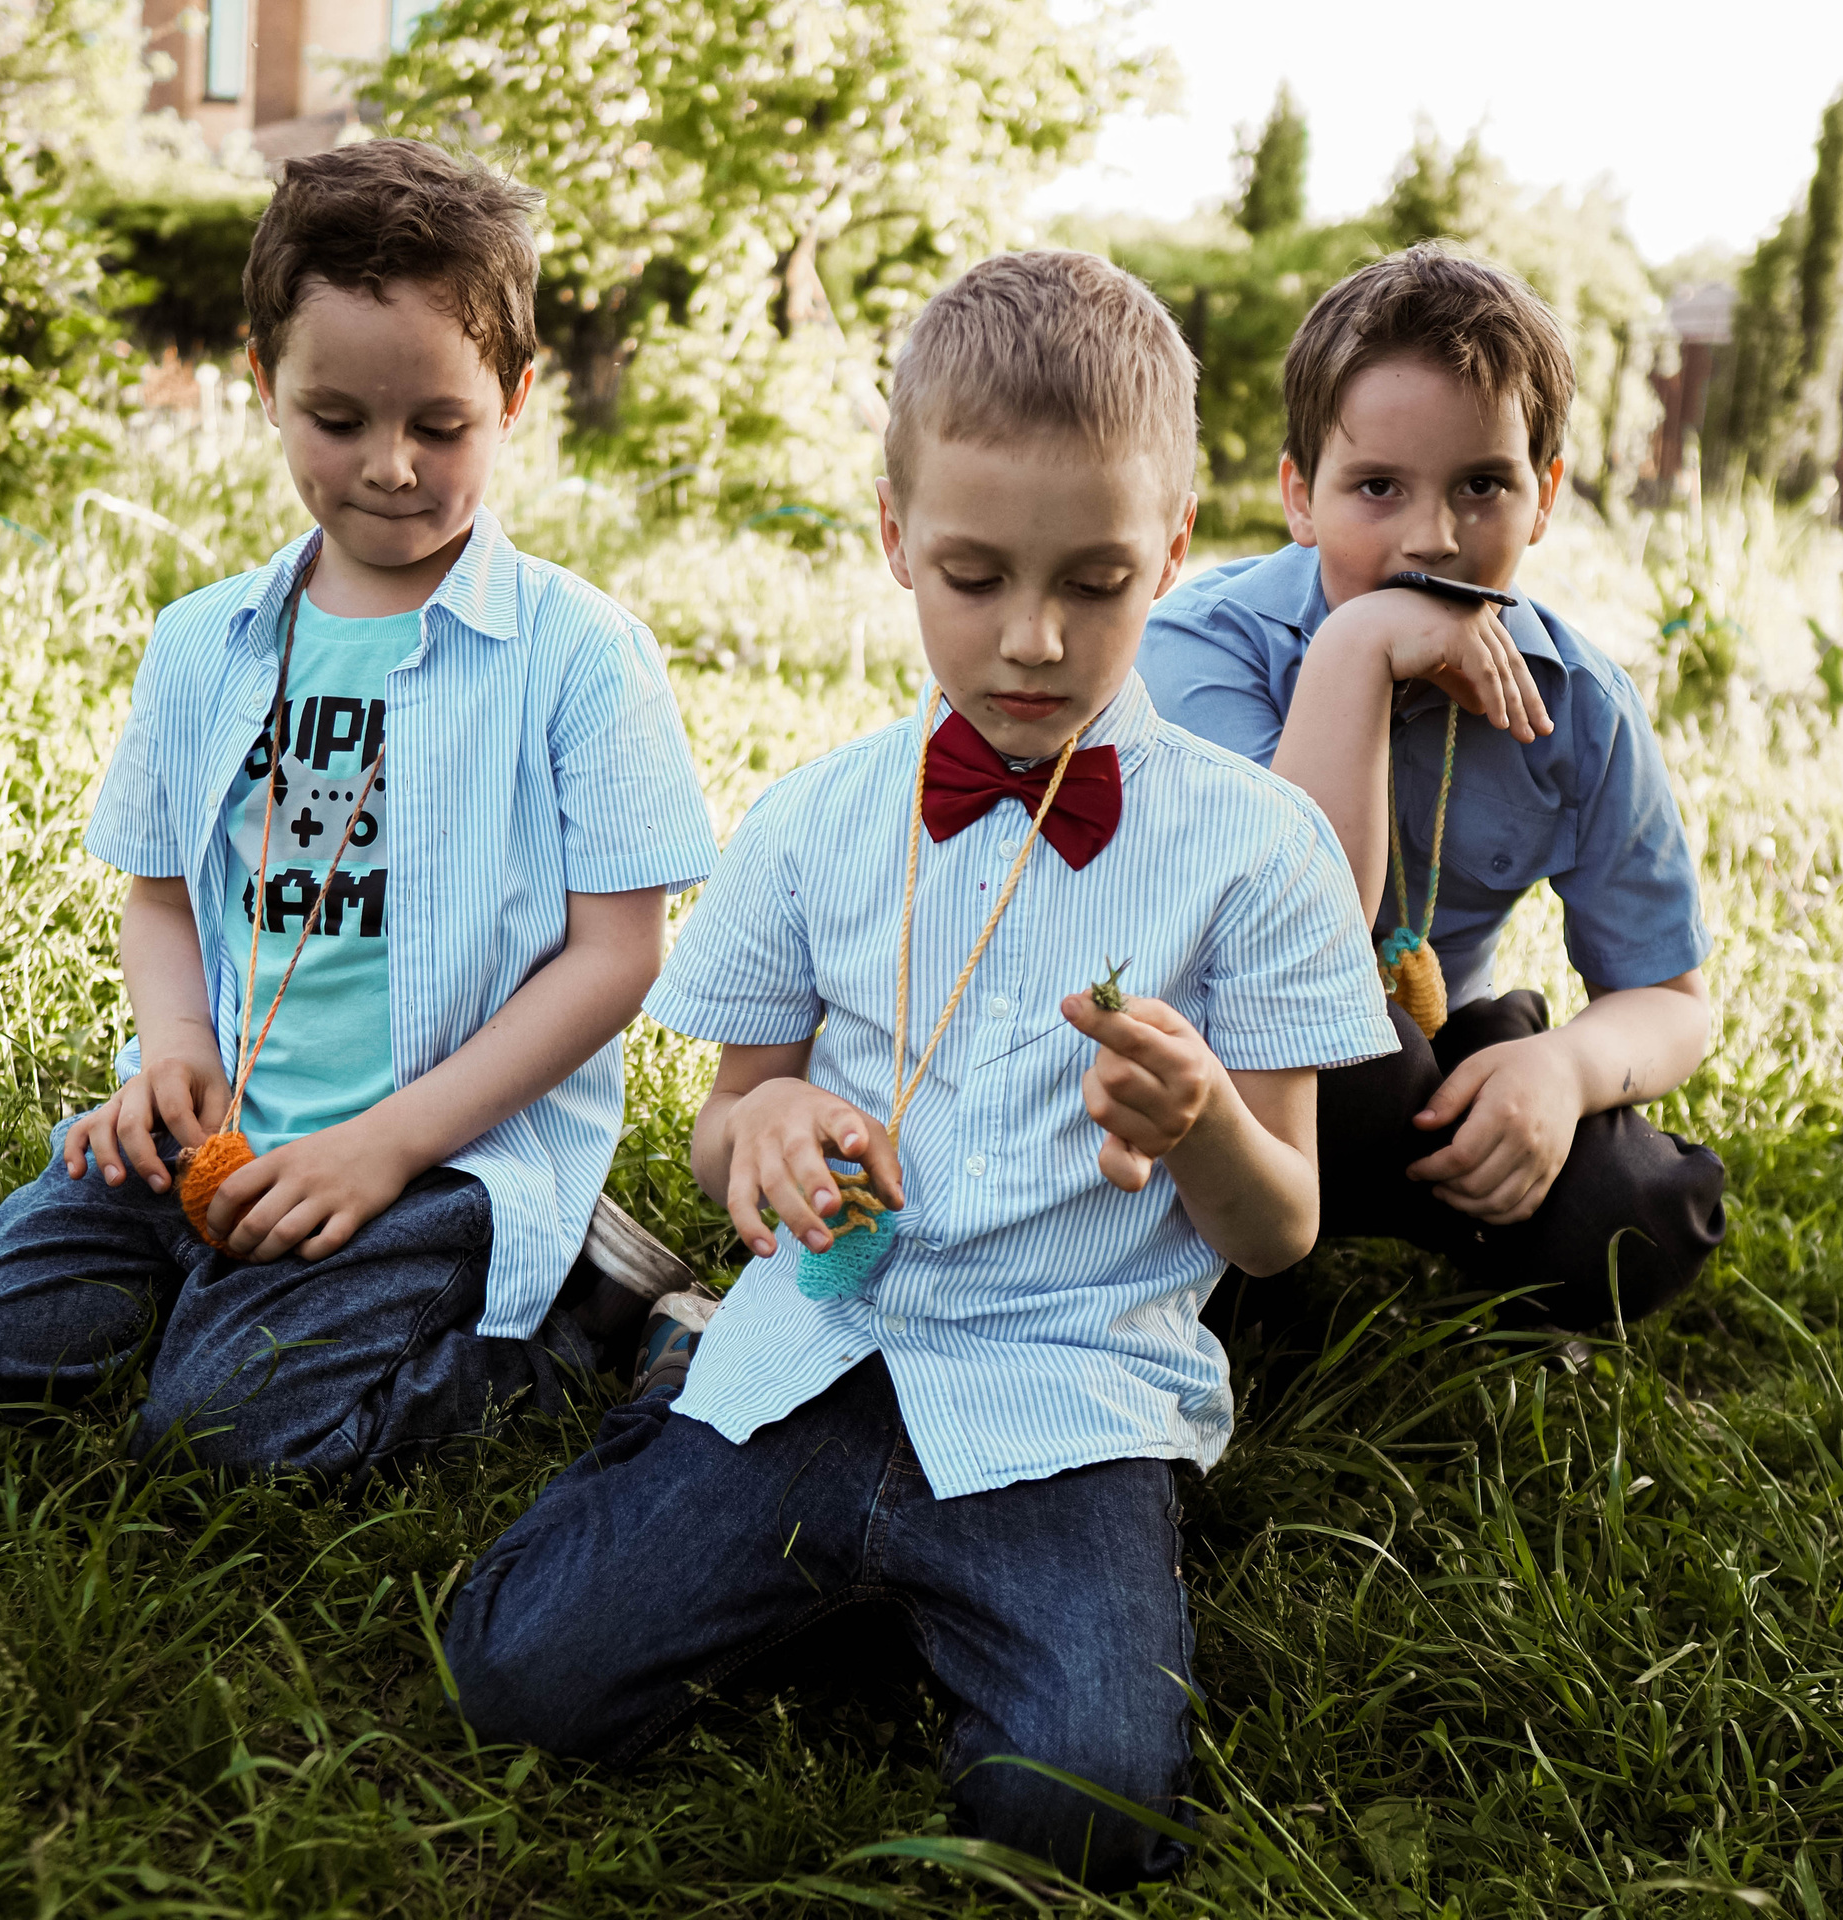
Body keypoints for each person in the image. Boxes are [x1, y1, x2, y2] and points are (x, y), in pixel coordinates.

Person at [440, 252, 1398, 1890]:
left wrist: (1207, 1122)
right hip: (824, 1334)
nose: (1032, 639)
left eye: (1096, 583)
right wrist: (769, 1129)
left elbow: (1281, 1225)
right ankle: (702, 1396)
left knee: (1085, 1810)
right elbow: (726, 1124)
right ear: (895, 541)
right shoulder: (822, 819)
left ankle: (899, 1580)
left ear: (1174, 551)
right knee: (516, 1675)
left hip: (1065, 1392)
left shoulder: (1258, 851)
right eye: (972, 574)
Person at [0, 140, 718, 1475]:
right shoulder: (205, 644)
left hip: (444, 1152)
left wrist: (383, 1149)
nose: (391, 466)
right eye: (338, 420)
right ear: (264, 384)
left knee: (219, 1433)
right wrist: (170, 1050)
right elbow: (161, 892)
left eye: (440, 426)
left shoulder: (575, 650)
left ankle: (579, 1323)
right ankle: (233, 1291)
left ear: (514, 398)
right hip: (208, 1137)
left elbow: (618, 954)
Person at [1140, 242, 1725, 1335]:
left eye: (1481, 485)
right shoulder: (1196, 651)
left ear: (1543, 497)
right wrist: (1356, 648)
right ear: (1297, 497)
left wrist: (1560, 1071)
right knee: (1342, 1037)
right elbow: (1297, 933)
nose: (1431, 537)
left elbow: (1672, 1006)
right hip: (1221, 1058)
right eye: (1376, 488)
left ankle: (1430, 1187)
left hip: (1420, 1075)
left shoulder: (1579, 703)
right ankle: (1245, 1264)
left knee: (1638, 1215)